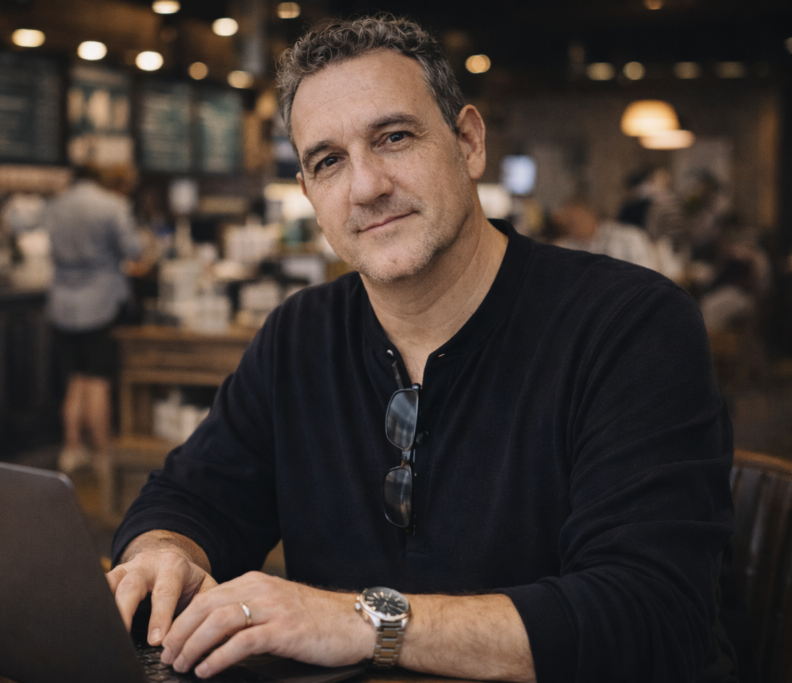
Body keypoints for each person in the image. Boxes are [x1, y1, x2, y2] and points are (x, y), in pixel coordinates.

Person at [109, 15, 739, 683]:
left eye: (395, 138)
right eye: (328, 162)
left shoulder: (629, 325)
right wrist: (163, 550)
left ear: (468, 142)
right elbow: (190, 497)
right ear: (310, 196)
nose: (366, 185)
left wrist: (359, 621)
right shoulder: (301, 336)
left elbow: (649, 618)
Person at [42, 163, 142, 473]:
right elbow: (135, 251)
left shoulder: (54, 205)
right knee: (98, 380)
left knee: (75, 378)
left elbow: (16, 222)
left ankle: (71, 449)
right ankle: (103, 455)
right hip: (101, 302)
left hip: (62, 303)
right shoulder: (112, 205)